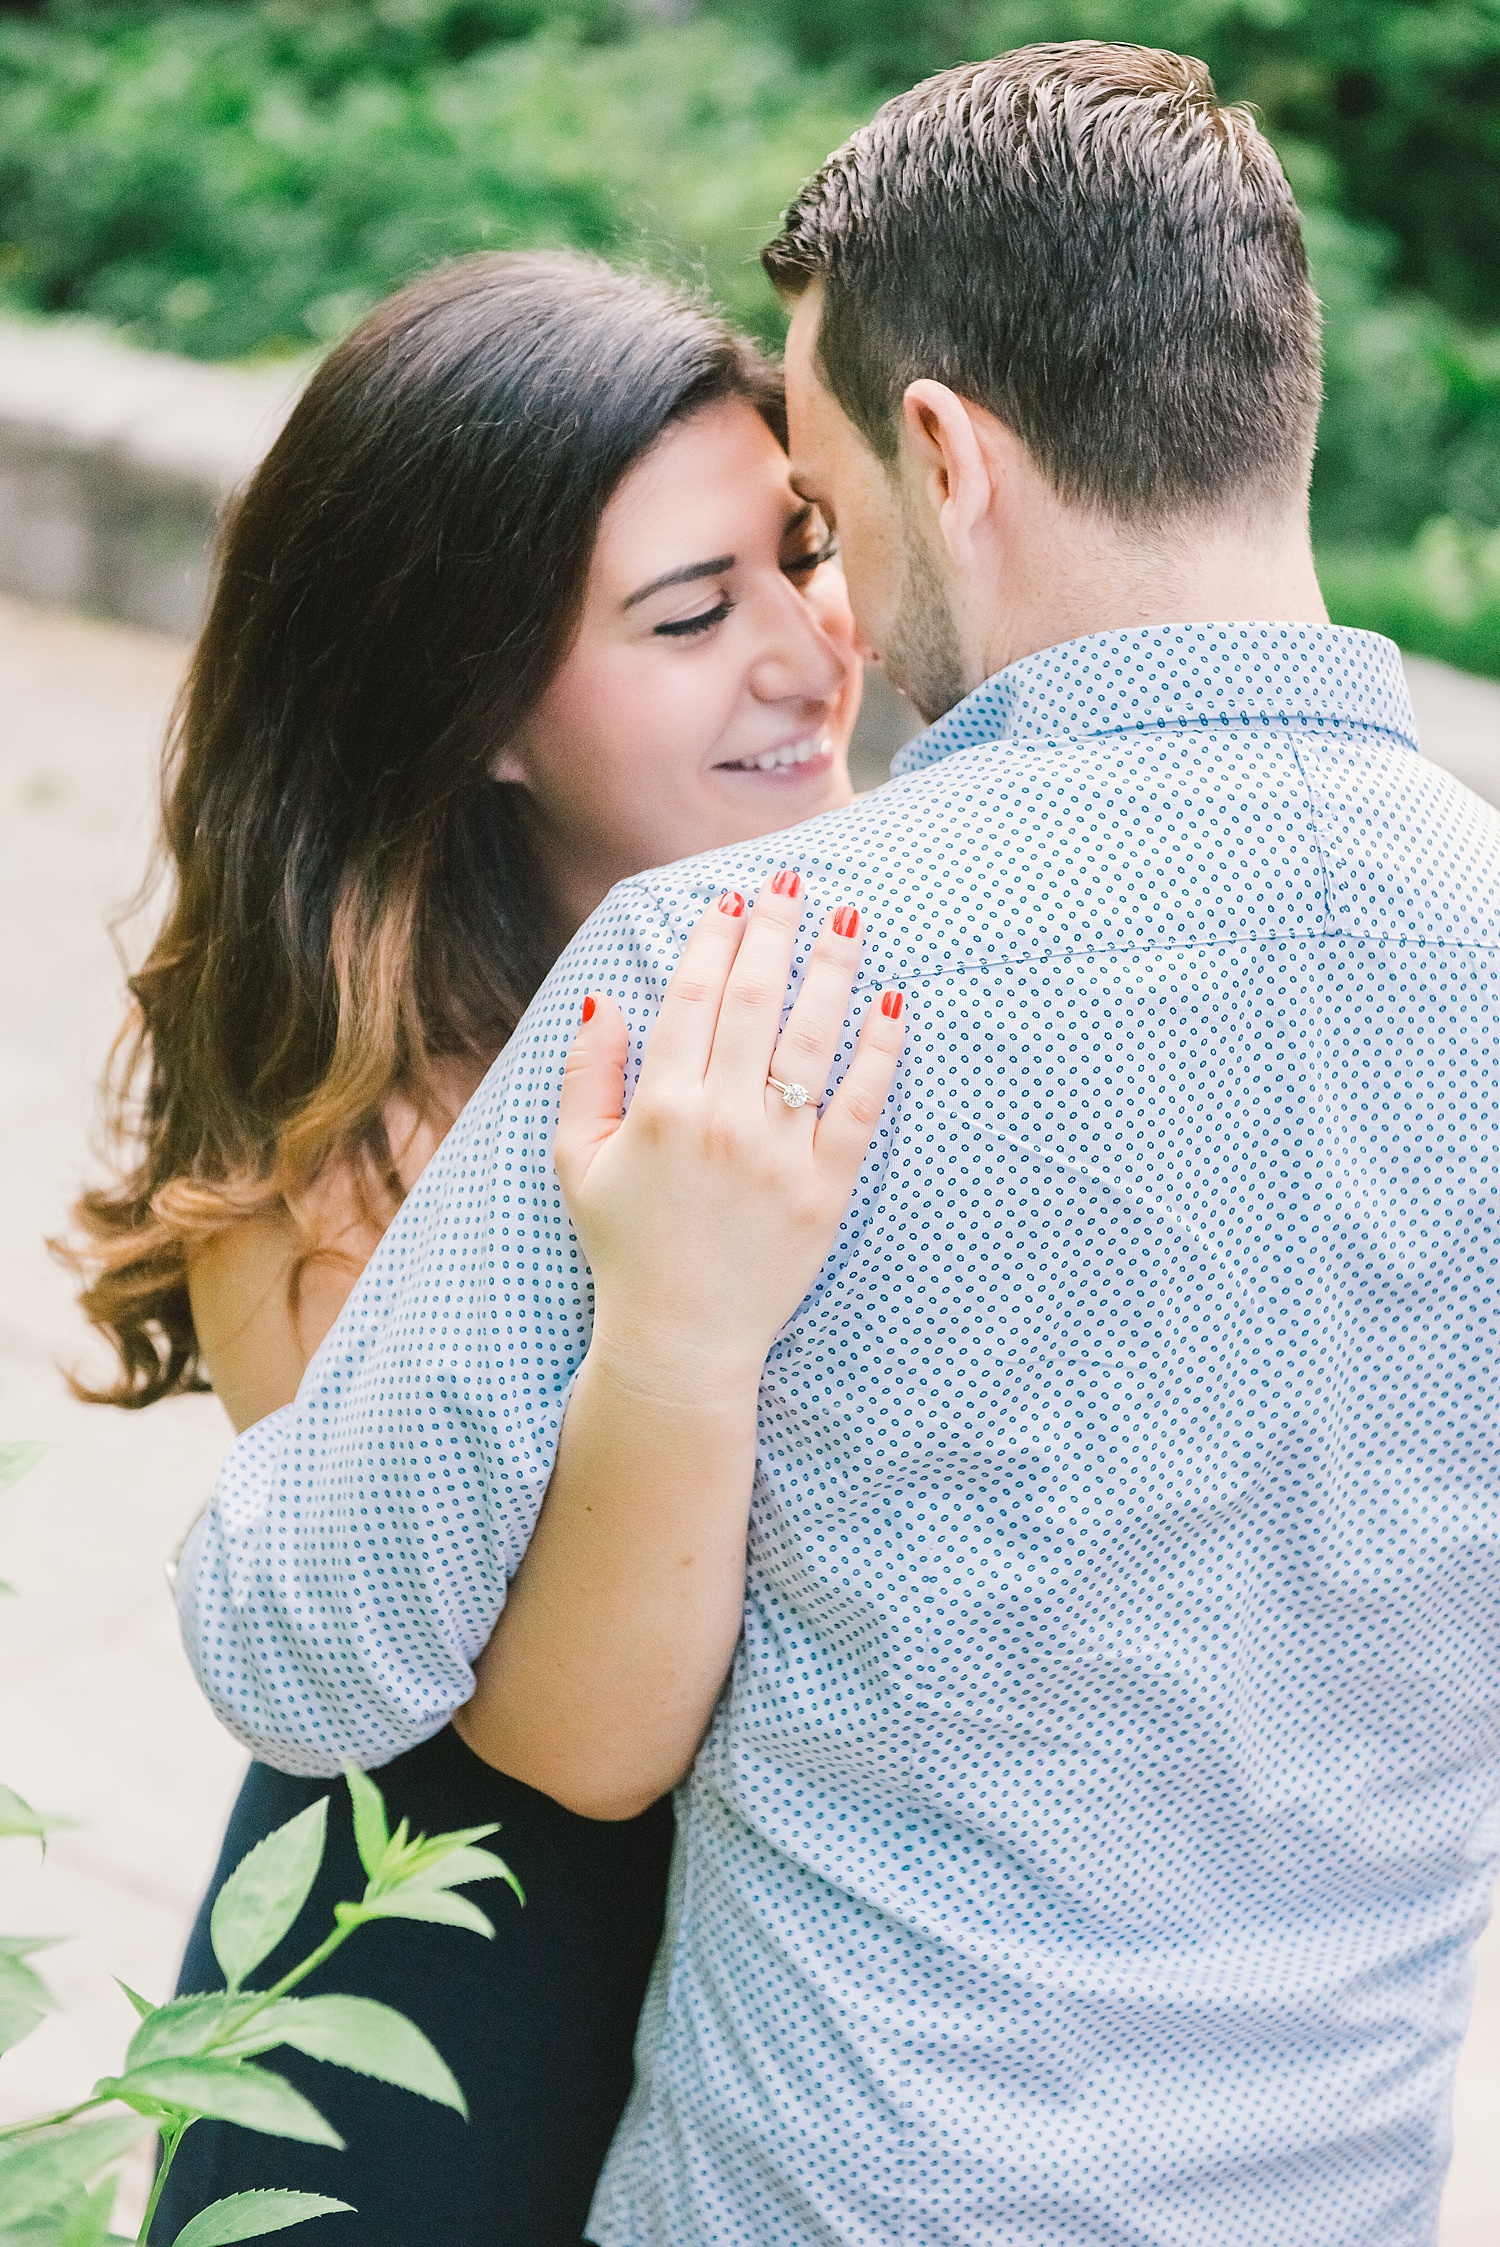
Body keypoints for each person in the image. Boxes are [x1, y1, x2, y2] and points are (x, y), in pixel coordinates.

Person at [176, 40, 1500, 2247]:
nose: (821, 636)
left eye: (816, 518)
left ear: (942, 458)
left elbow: (295, 1638)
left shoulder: (741, 968)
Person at [63, 249, 879, 2246]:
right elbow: (566, 1736)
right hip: (449, 2032)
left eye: (804, 549)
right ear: (478, 706)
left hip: (827, 2025)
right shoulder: (345, 1124)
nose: (807, 649)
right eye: (695, 612)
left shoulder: (876, 925)